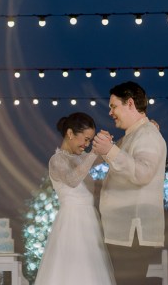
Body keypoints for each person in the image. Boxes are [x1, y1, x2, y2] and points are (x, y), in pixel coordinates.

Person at [92, 81, 167, 285]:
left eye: (114, 106)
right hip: (124, 232)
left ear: (131, 103)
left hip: (133, 232)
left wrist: (110, 150)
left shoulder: (148, 135)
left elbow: (142, 173)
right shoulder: (132, 136)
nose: (110, 112)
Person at [34, 112, 116, 285]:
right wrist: (94, 151)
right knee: (71, 272)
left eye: (90, 141)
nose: (87, 145)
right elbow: (72, 179)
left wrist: (123, 138)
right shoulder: (56, 160)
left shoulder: (81, 159)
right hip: (72, 223)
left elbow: (110, 153)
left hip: (88, 223)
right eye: (85, 139)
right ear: (70, 133)